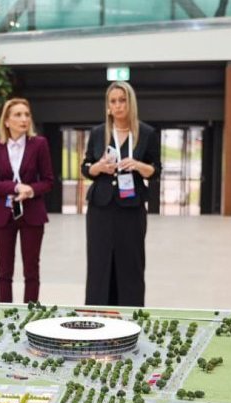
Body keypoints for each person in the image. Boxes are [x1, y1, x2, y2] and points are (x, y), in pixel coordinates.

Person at [81, 81, 160, 307]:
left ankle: (130, 313)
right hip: (101, 207)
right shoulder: (98, 133)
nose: (118, 105)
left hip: (131, 208)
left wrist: (138, 165)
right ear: (108, 106)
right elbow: (86, 168)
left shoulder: (146, 133)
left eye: (122, 100)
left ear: (130, 103)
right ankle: (98, 314)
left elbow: (156, 170)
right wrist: (98, 167)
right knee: (99, 262)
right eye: (113, 101)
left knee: (130, 262)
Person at [0, 98, 53, 303]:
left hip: (32, 213)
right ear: (6, 121)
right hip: (3, 215)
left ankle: (30, 314)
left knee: (31, 270)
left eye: (27, 114)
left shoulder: (39, 144)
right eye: (18, 115)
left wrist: (30, 190)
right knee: (4, 270)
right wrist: (15, 187)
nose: (24, 119)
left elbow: (48, 181)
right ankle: (5, 313)